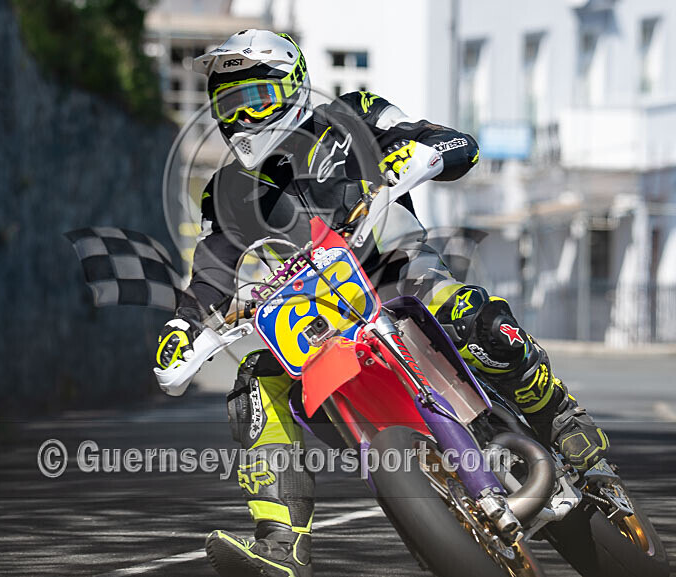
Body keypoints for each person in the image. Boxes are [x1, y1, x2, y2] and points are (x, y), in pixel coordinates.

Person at [154, 29, 608, 577]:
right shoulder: (226, 188)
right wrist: (184, 324)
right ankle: (281, 545)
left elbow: (453, 141)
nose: (244, 118)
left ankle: (557, 414)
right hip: (320, 312)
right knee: (254, 380)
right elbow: (212, 270)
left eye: (257, 99)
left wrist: (418, 157)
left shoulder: (352, 114)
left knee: (468, 314)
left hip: (397, 268)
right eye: (231, 104)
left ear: (293, 85)